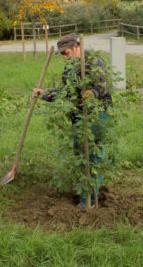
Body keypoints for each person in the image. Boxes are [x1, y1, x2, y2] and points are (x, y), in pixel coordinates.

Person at [33, 33, 112, 207]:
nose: (65, 57)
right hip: (78, 116)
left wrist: (93, 93)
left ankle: (89, 199)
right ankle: (86, 190)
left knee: (93, 156)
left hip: (96, 115)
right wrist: (44, 94)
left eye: (66, 53)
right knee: (80, 155)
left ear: (76, 47)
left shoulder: (93, 61)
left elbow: (104, 84)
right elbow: (65, 91)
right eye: (62, 54)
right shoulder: (69, 68)